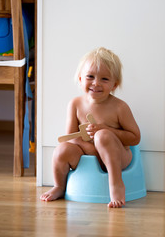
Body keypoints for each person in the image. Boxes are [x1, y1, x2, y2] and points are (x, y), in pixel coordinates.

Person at [40, 47, 141, 208]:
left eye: (104, 79)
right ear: (80, 79)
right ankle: (59, 186)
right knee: (61, 149)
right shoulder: (75, 104)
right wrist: (88, 146)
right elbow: (71, 137)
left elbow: (135, 138)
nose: (96, 83)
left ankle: (116, 183)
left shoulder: (119, 107)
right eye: (90, 77)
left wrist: (105, 130)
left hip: (117, 158)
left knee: (103, 136)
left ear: (115, 85)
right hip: (88, 153)